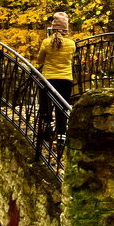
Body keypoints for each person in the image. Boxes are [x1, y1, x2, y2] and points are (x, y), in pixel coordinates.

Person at [35, 12, 75, 141]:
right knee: (62, 106)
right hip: (66, 79)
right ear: (66, 29)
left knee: (45, 103)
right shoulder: (71, 44)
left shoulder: (46, 42)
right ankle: (61, 135)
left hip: (49, 78)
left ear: (53, 28)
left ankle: (48, 123)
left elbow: (39, 60)